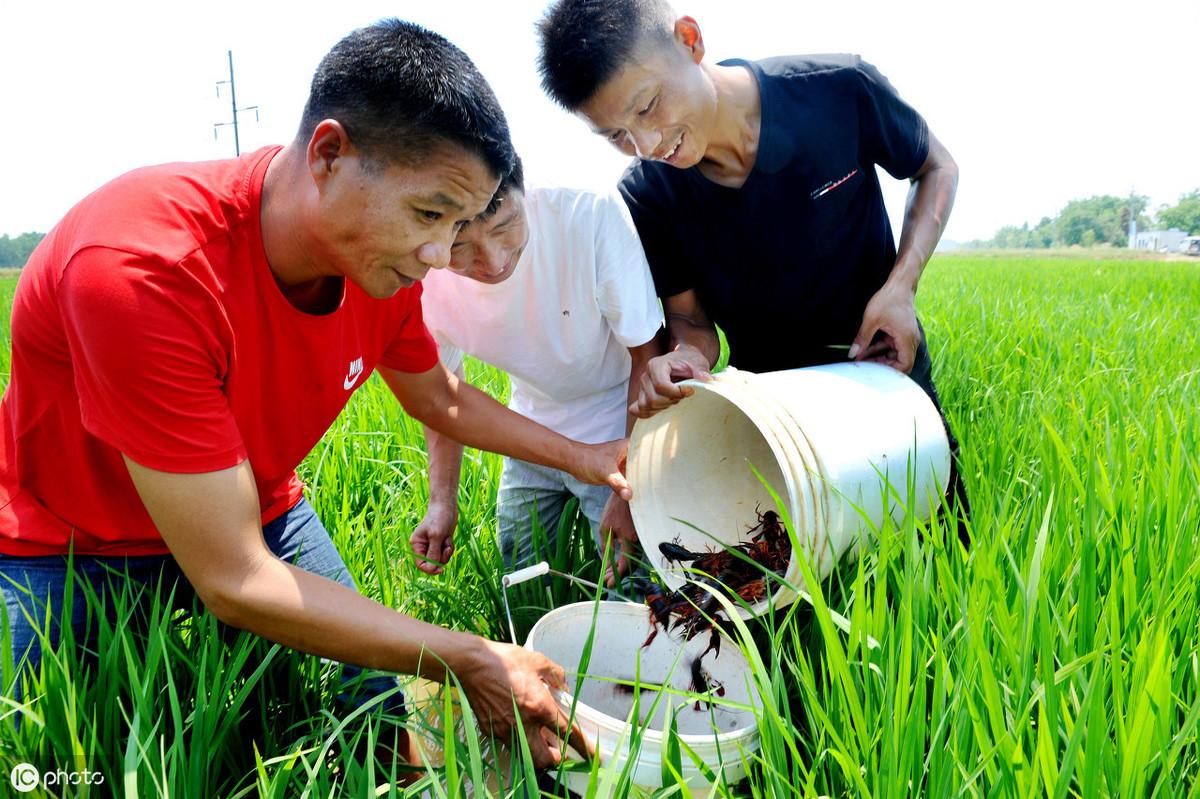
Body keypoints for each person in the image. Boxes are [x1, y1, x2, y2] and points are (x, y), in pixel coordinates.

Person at [0, 19, 623, 768]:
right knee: (71, 751)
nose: (439, 255)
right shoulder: (145, 271)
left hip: (255, 506)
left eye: (457, 224)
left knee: (374, 706)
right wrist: (467, 654)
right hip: (71, 543)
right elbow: (233, 577)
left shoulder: (384, 263)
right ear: (329, 154)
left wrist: (587, 459)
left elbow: (440, 399)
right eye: (430, 213)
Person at [536, 0, 970, 529]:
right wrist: (685, 360)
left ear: (690, 40)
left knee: (938, 546)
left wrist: (901, 287)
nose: (646, 145)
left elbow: (935, 166)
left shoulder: (837, 88)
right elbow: (692, 323)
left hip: (885, 372)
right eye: (616, 136)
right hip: (775, 415)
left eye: (648, 107)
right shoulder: (648, 195)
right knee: (798, 580)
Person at [412, 157, 662, 581]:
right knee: (521, 583)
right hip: (529, 431)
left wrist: (633, 483)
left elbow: (646, 353)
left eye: (505, 226)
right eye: (460, 246)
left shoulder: (588, 211)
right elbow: (441, 393)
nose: (492, 262)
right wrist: (442, 501)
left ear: (522, 188)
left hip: (618, 427)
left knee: (636, 588)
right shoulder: (417, 269)